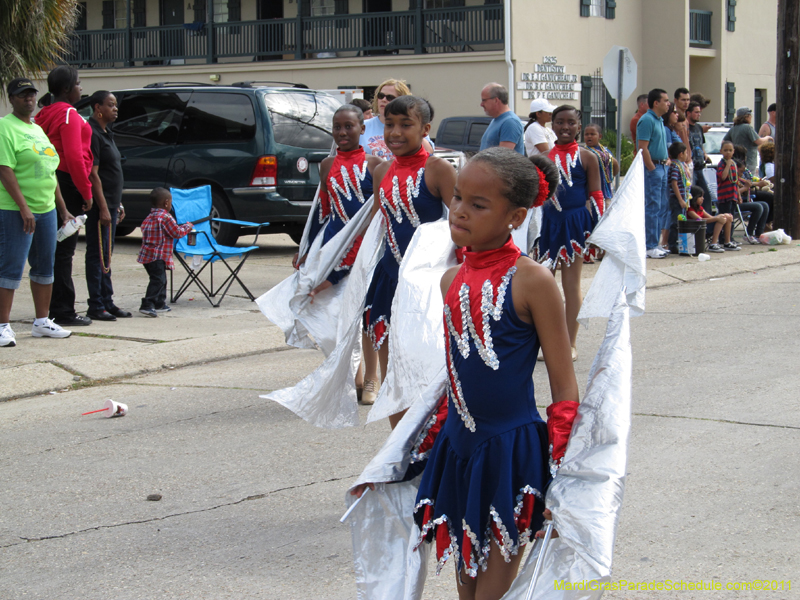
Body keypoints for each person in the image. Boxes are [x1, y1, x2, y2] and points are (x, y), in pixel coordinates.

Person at [409, 148, 580, 598]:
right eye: (459, 198)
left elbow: (564, 384)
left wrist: (563, 472)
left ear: (516, 215)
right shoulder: (449, 280)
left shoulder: (533, 281)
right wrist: (430, 434)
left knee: (492, 591)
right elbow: (456, 372)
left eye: (478, 205)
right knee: (466, 585)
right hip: (459, 449)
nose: (460, 211)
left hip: (509, 453)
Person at [363, 96, 456, 426]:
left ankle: (432, 445)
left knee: (428, 368)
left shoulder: (439, 169)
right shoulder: (382, 171)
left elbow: (461, 225)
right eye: (389, 125)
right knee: (394, 377)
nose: (396, 132)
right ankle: (398, 453)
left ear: (425, 129)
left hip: (428, 284)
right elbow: (379, 226)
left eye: (406, 125)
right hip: (389, 278)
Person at [297, 104, 383, 403]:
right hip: (334, 247)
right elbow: (320, 212)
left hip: (366, 248)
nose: (343, 132)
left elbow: (377, 214)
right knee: (337, 315)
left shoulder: (375, 164)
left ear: (362, 128)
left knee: (368, 314)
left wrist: (360, 250)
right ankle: (353, 374)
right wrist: (307, 251)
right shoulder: (325, 165)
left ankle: (372, 378)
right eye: (337, 126)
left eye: (349, 126)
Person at [0, 78, 74, 347]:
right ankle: (2, 325)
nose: (29, 99)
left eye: (32, 94)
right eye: (22, 95)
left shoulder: (37, 128)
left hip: (46, 209)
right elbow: (5, 169)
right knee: (10, 267)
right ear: (12, 99)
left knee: (45, 267)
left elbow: (49, 171)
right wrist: (23, 207)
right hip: (15, 210)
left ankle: (42, 322)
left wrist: (63, 210)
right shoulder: (5, 127)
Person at [534, 105, 602, 361]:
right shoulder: (544, 158)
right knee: (542, 286)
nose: (565, 127)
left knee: (571, 285)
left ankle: (570, 344)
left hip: (576, 223)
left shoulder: (588, 157)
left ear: (578, 126)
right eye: (559, 122)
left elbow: (596, 196)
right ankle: (543, 343)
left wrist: (598, 230)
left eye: (570, 122)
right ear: (552, 125)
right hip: (550, 224)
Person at [35, 66, 95, 327]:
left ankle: (49, 308)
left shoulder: (43, 113)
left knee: (53, 248)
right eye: (79, 84)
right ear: (67, 89)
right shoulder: (69, 113)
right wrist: (86, 191)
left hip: (49, 180)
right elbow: (72, 156)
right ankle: (63, 310)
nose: (82, 88)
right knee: (64, 251)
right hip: (67, 181)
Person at [85, 91, 131, 322]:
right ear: (97, 108)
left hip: (112, 203)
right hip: (99, 206)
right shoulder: (92, 133)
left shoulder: (107, 133)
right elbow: (93, 175)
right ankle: (96, 304)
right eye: (110, 105)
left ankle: (107, 301)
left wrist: (117, 203)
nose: (115, 109)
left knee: (108, 255)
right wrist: (103, 208)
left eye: (116, 105)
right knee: (98, 254)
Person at [137, 188, 193, 317]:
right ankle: (147, 304)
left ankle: (159, 303)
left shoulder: (150, 216)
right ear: (166, 203)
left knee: (160, 278)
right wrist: (187, 227)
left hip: (147, 254)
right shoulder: (166, 217)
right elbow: (177, 232)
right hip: (158, 255)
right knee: (158, 280)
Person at [636, 88, 671, 259]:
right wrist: (651, 168)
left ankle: (655, 244)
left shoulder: (659, 121)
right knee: (652, 206)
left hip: (663, 167)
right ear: (656, 103)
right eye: (665, 100)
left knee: (661, 207)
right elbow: (643, 148)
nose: (668, 103)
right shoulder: (647, 120)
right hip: (654, 169)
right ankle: (649, 246)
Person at [360, 79, 433, 159]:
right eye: (381, 96)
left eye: (390, 97)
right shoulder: (363, 125)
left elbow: (428, 152)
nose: (383, 100)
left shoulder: (414, 125)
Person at [686, 185, 735, 253]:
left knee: (726, 217)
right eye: (700, 196)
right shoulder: (690, 210)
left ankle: (727, 242)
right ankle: (713, 244)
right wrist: (717, 218)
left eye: (703, 196)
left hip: (705, 227)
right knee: (719, 220)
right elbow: (700, 220)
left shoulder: (700, 208)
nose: (702, 198)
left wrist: (723, 216)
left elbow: (711, 218)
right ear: (693, 197)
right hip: (698, 231)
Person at [723, 107, 772, 172]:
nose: (751, 117)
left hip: (737, 160)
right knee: (749, 179)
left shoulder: (733, 128)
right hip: (749, 161)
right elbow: (758, 141)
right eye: (750, 115)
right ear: (746, 116)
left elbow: (723, 142)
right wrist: (767, 137)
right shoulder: (748, 127)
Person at [479, 83, 524, 154]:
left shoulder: (510, 122)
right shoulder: (497, 120)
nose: (481, 104)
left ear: (496, 100)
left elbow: (503, 158)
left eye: (484, 100)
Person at [582, 123, 618, 204]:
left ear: (600, 136)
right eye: (586, 134)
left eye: (592, 134)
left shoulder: (606, 152)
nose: (589, 136)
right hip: (589, 194)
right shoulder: (583, 152)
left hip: (606, 193)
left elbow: (614, 171)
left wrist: (613, 161)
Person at [666, 142, 691, 253]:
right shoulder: (675, 166)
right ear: (681, 154)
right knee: (676, 221)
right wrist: (680, 199)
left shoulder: (680, 165)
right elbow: (674, 182)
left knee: (681, 220)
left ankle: (679, 242)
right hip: (677, 199)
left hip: (682, 197)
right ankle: (672, 244)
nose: (686, 155)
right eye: (685, 153)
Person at [686, 100, 712, 202]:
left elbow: (701, 144)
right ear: (688, 113)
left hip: (700, 167)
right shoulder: (685, 127)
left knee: (705, 196)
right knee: (693, 196)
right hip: (691, 167)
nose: (699, 114)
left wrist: (705, 154)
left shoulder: (699, 128)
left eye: (699, 112)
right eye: (696, 112)